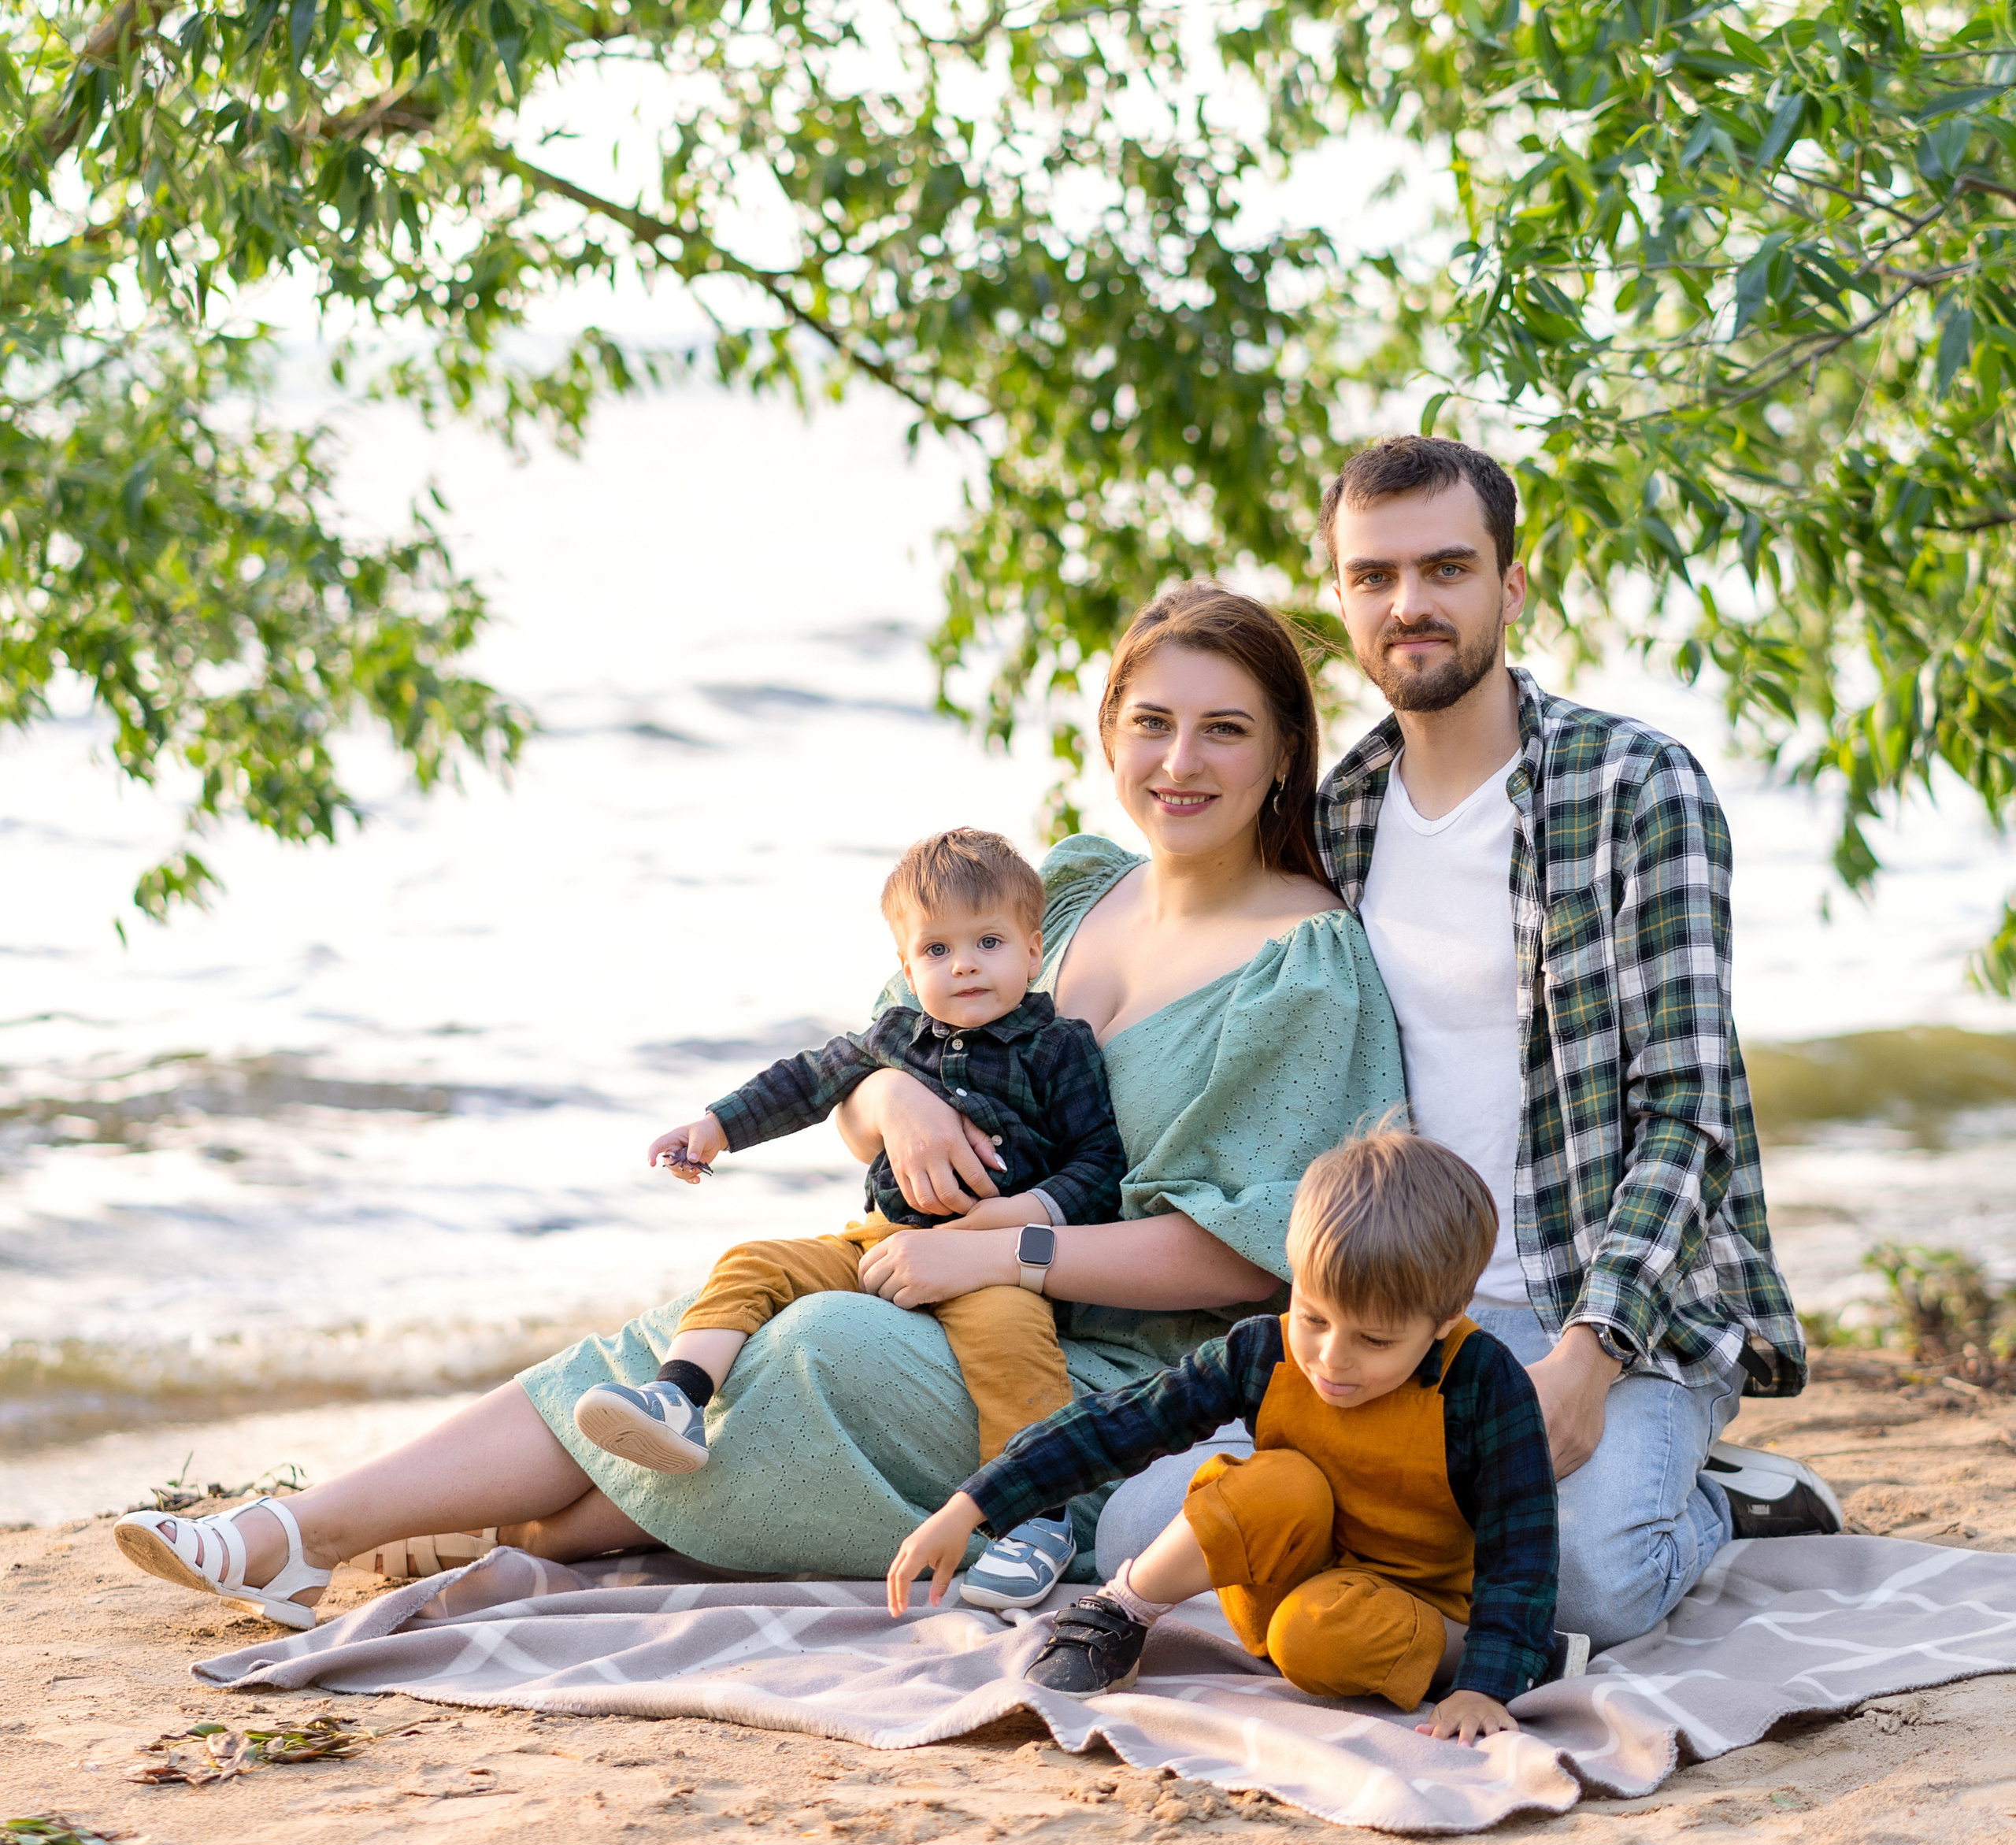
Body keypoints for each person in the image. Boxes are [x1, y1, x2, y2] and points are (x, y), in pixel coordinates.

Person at [110, 582, 1407, 1630]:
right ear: (1110, 731)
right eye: (1152, 723)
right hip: (926, 1281)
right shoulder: (1063, 890)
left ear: (1286, 748)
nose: (1180, 761)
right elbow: (860, 1070)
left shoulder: (1302, 964)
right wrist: (895, 1100)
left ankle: (475, 1537)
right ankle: (317, 1533)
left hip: (1107, 1363)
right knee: (731, 1314)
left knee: (810, 1351)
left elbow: (1248, 1252)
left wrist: (997, 1246)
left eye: (1225, 729)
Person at [1313, 434, 1838, 1648]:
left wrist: (1589, 1357)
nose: (1411, 605)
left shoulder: (1638, 786)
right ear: (1341, 594)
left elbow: (1692, 1114)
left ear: (1513, 581)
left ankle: (1726, 1503)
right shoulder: (1334, 813)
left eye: (1447, 568)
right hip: (1418, 1307)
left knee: (1593, 1585)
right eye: (1374, 576)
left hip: (1622, 1305)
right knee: (1171, 1532)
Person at [570, 826, 1127, 1611]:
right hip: (884, 1239)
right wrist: (715, 1127)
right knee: (754, 1260)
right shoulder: (895, 1040)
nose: (963, 963)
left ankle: (1035, 1519)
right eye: (936, 950)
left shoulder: (1058, 1048)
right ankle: (677, 1397)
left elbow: (1101, 1165)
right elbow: (805, 1081)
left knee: (1014, 1348)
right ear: (906, 968)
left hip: (992, 1264)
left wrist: (1018, 1218)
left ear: (1034, 952)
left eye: (989, 941)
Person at [889, 1125, 1582, 1744]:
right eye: (1315, 1318)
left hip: (1404, 1611)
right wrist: (975, 1505)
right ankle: (1123, 1613)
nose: (1333, 1359)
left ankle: (1491, 1655)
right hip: (1288, 1579)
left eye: (1375, 1340)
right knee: (1269, 1480)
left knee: (1316, 1638)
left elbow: (1520, 1543)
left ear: (1446, 1316)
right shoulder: (1262, 1351)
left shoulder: (1483, 1384)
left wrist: (1486, 1684)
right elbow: (1123, 1423)